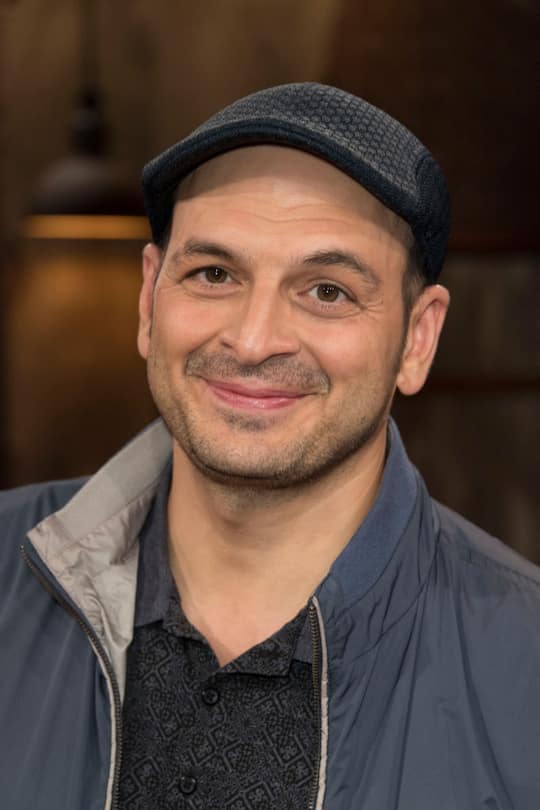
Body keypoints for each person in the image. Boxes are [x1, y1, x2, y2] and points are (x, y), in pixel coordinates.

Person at [1, 83, 539, 810]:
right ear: (149, 300)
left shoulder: (524, 668)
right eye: (214, 274)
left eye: (327, 291)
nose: (253, 341)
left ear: (418, 339)